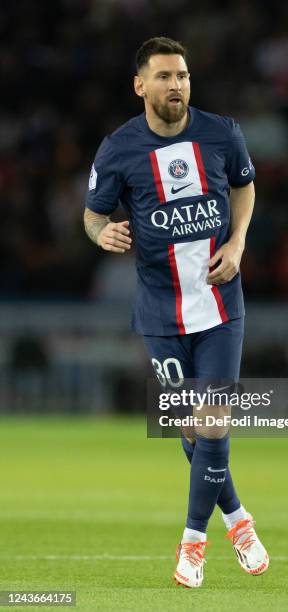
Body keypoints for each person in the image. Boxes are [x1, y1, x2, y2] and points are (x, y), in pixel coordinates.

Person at [83, 36, 269, 588]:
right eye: (164, 76)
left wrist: (236, 245)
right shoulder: (118, 149)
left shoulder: (222, 132)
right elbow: (92, 215)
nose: (176, 85)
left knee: (212, 423)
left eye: (183, 75)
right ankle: (238, 519)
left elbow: (245, 186)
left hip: (220, 308)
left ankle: (193, 544)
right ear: (140, 85)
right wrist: (103, 233)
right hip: (162, 316)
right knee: (193, 430)